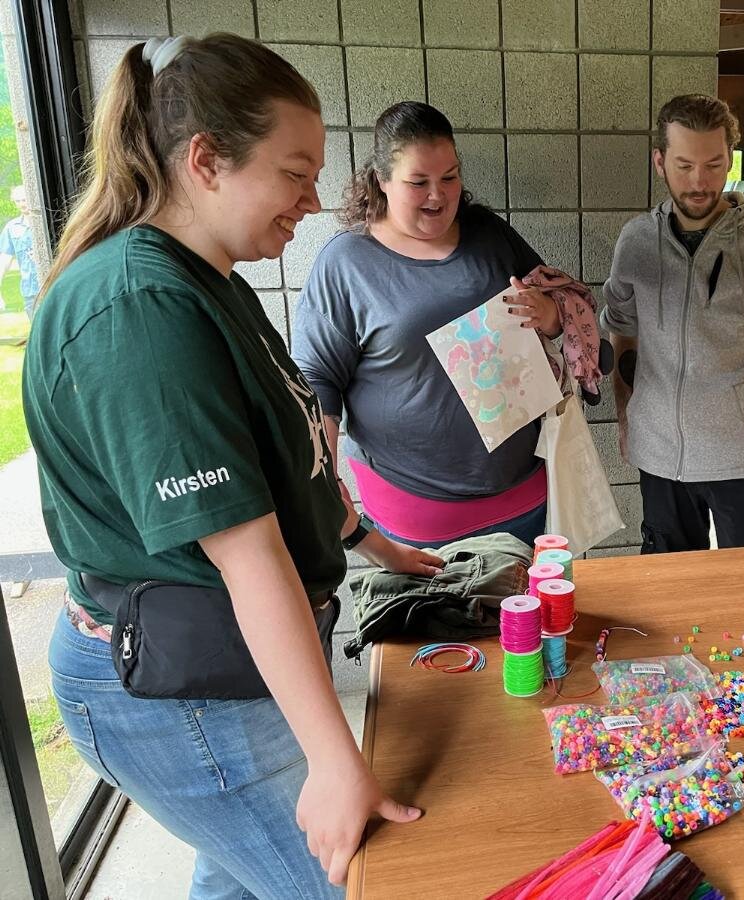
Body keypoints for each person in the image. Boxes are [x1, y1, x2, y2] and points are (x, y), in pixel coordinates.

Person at [23, 35, 440, 897]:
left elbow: (287, 455)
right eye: (294, 172)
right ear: (207, 160)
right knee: (353, 883)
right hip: (176, 687)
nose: (315, 199)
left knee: (238, 875)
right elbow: (247, 554)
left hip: (227, 662)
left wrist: (375, 545)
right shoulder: (139, 306)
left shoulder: (212, 279)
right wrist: (334, 760)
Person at [292, 101, 563, 550]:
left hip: (524, 496)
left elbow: (556, 306)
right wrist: (323, 474)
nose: (438, 196)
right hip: (415, 517)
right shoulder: (346, 262)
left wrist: (548, 315)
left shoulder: (488, 233)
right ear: (382, 180)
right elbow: (318, 377)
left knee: (526, 621)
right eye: (418, 182)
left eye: (450, 177)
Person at [601, 94, 744, 553]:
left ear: (729, 160)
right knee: (671, 596)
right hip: (660, 456)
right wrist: (626, 416)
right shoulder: (637, 242)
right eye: (683, 166)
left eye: (713, 165)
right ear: (659, 162)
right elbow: (623, 326)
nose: (699, 182)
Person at [0, 185, 42, 320]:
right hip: (30, 292)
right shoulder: (11, 228)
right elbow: (4, 260)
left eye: (24, 200)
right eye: (17, 201)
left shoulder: (46, 221)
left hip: (51, 285)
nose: (21, 204)